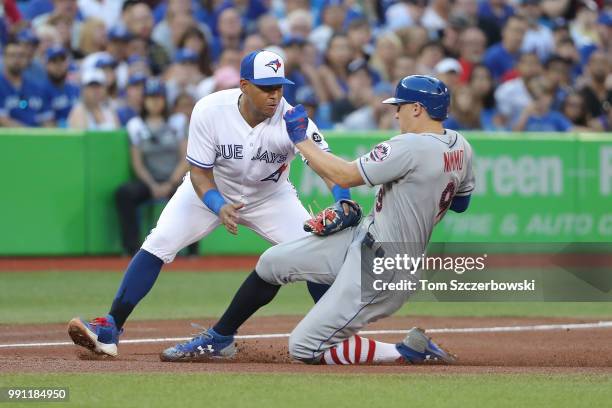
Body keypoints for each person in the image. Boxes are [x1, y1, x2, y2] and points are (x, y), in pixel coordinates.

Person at [159, 74, 474, 365]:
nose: (396, 114)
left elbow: (344, 176)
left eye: (400, 107)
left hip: (385, 267)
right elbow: (460, 202)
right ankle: (219, 338)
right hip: (368, 240)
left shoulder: (409, 146)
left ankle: (406, 351)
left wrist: (300, 139)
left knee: (303, 348)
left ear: (418, 109)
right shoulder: (461, 146)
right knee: (272, 263)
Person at [68, 49, 349, 357]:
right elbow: (199, 174)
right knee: (160, 241)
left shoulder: (293, 120)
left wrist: (343, 202)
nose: (275, 95)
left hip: (271, 197)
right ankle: (110, 327)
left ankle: (334, 339)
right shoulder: (210, 109)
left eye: (279, 87)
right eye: (266, 87)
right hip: (209, 191)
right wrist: (218, 205)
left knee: (315, 256)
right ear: (244, 85)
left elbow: (332, 170)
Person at [115, 78, 193, 256]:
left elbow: (186, 158)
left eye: (158, 97)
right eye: (150, 98)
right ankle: (131, 248)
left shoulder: (177, 122)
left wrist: (170, 183)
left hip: (175, 180)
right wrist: (153, 185)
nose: (154, 102)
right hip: (150, 181)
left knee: (193, 192)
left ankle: (191, 250)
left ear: (164, 100)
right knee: (124, 193)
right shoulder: (136, 125)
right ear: (144, 100)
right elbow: (137, 163)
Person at [0, 39, 54, 127]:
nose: (17, 59)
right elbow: (2, 120)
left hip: (38, 138)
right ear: (4, 58)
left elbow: (47, 120)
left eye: (21, 55)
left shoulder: (37, 88)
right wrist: (29, 135)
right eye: (12, 55)